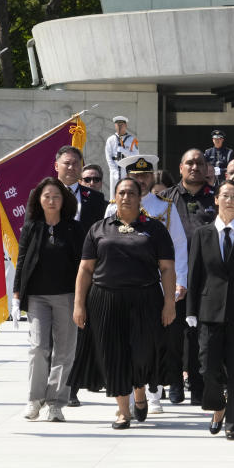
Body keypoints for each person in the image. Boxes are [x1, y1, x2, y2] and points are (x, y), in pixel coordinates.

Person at [69, 178, 177, 429]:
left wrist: (169, 302)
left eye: (131, 192)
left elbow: (167, 268)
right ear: (114, 197)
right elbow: (85, 269)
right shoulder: (99, 228)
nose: (126, 197)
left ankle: (139, 391)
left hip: (145, 299)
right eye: (121, 192)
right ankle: (122, 411)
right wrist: (79, 304)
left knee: (141, 353)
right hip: (105, 299)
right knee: (112, 354)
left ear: (140, 197)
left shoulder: (155, 228)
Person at [186, 180, 234, 440]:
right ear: (216, 200)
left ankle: (233, 423)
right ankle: (218, 405)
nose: (230, 200)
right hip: (209, 310)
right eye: (225, 196)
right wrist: (190, 310)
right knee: (207, 367)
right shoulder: (202, 234)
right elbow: (194, 274)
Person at [111, 155, 189, 414]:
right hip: (122, 284)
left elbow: (178, 244)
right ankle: (128, 397)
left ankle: (153, 395)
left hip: (156, 284)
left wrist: (181, 281)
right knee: (124, 342)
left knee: (154, 341)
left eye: (145, 176)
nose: (140, 180)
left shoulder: (164, 207)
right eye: (135, 175)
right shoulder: (112, 208)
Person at [13, 177, 83, 422]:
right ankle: (34, 399)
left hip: (66, 296)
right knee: (38, 348)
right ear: (38, 200)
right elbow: (21, 260)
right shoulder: (32, 226)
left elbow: (83, 266)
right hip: (38, 297)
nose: (51, 201)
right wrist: (16, 295)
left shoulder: (74, 229)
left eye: (56, 196)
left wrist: (82, 299)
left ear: (64, 201)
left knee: (64, 352)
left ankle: (55, 402)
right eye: (47, 196)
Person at [158, 149, 218, 405]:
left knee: (201, 334)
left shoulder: (218, 198)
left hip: (208, 277)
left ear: (206, 168)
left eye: (199, 163)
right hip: (174, 275)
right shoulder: (164, 199)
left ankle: (198, 383)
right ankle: (173, 382)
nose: (194, 167)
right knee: (173, 332)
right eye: (189, 163)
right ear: (180, 167)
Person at [54, 145, 105, 408]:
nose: (71, 167)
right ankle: (54, 385)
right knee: (54, 334)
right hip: (53, 274)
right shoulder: (45, 195)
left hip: (87, 272)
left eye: (76, 163)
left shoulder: (95, 200)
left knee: (80, 329)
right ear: (57, 166)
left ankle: (71, 386)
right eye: (67, 163)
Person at [104, 115, 139, 199]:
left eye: (121, 124)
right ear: (115, 126)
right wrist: (113, 170)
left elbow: (136, 156)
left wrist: (125, 151)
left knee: (127, 189)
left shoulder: (132, 139)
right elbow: (108, 156)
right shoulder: (111, 139)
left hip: (127, 169)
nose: (119, 126)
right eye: (117, 124)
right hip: (115, 168)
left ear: (126, 125)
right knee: (114, 193)